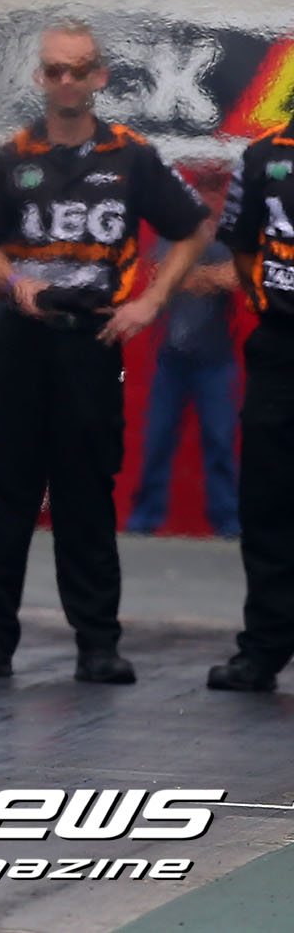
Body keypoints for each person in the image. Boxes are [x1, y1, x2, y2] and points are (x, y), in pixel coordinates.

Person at [0, 21, 211, 684]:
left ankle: (98, 644)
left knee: (86, 493)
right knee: (5, 493)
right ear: (40, 78)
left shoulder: (132, 156)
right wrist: (13, 280)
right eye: (54, 70)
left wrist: (151, 302)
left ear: (100, 77)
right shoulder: (13, 156)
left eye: (78, 69)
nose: (66, 81)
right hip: (21, 342)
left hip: (92, 342)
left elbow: (191, 228)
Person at [204, 123, 294, 691]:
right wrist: (265, 300)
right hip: (281, 348)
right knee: (268, 503)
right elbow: (240, 244)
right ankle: (263, 648)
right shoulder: (265, 154)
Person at [125, 164, 240, 538]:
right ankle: (145, 519)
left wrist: (188, 277)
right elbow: (161, 275)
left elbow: (235, 277)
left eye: (215, 191)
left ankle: (228, 522)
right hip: (171, 357)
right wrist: (204, 277)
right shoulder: (175, 232)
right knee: (157, 440)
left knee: (220, 441)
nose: (209, 199)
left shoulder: (230, 235)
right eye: (204, 190)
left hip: (215, 358)